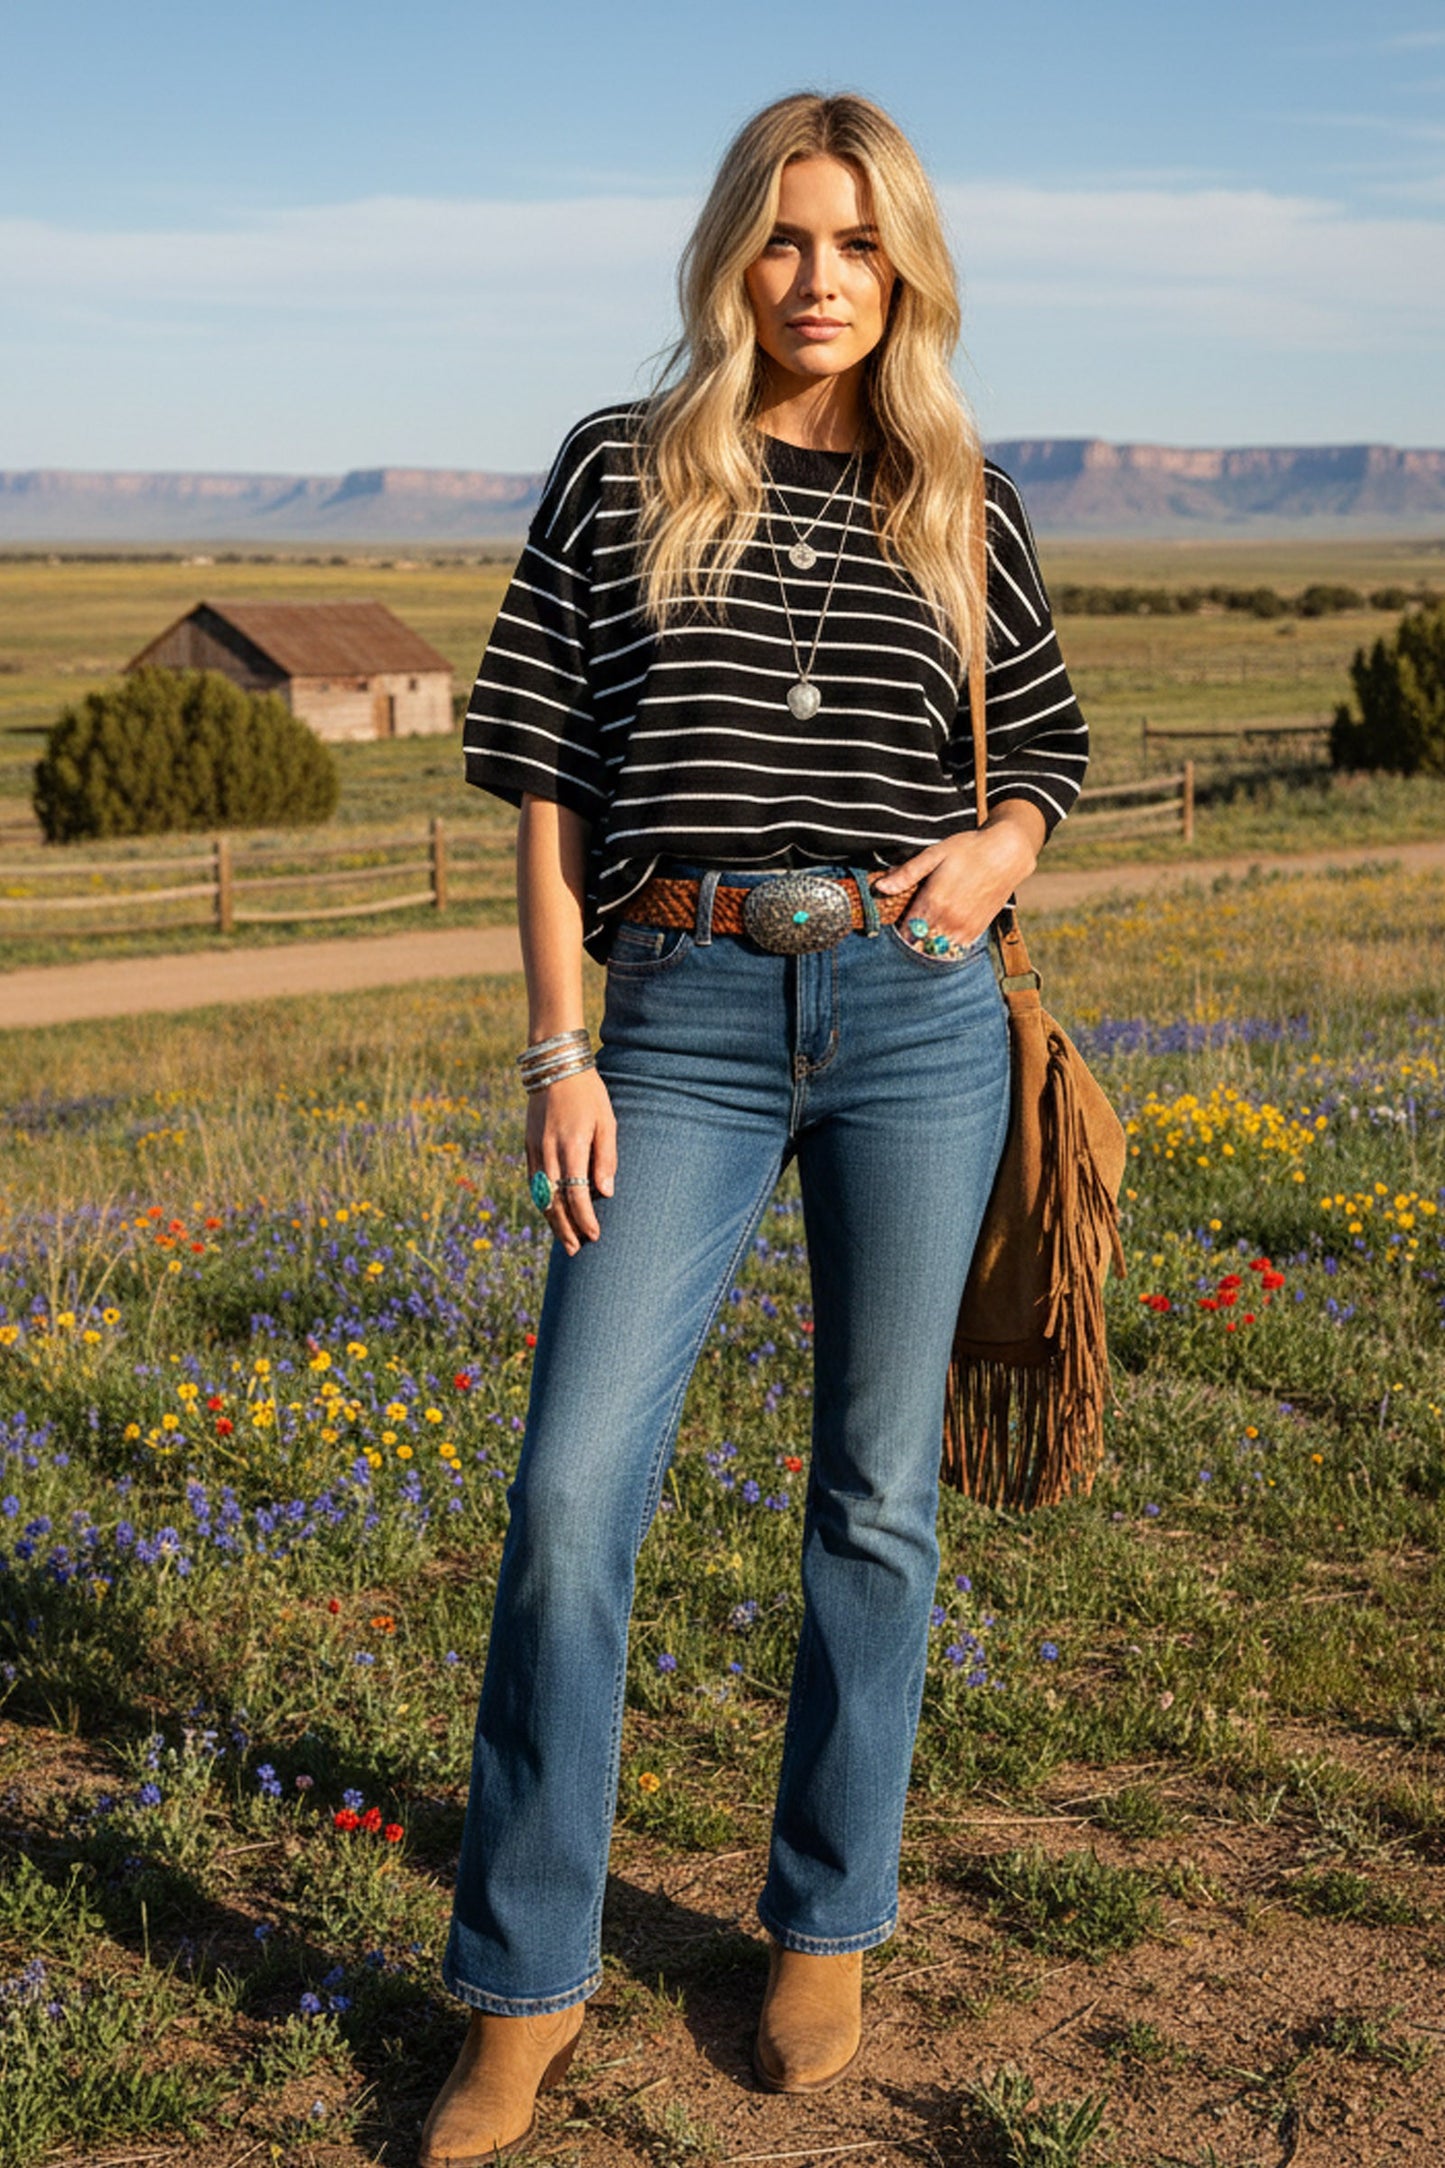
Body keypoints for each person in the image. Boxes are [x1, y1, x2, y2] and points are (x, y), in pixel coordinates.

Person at [420, 89, 1087, 2166]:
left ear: (908, 273)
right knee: (567, 1502)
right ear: (735, 254)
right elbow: (545, 773)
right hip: (682, 1013)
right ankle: (523, 1985)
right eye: (788, 240)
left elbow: (1044, 747)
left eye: (859, 246)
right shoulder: (619, 474)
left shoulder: (959, 493)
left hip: (914, 1017)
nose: (820, 280)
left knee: (878, 1494)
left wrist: (993, 860)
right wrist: (559, 1050)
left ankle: (825, 1918)